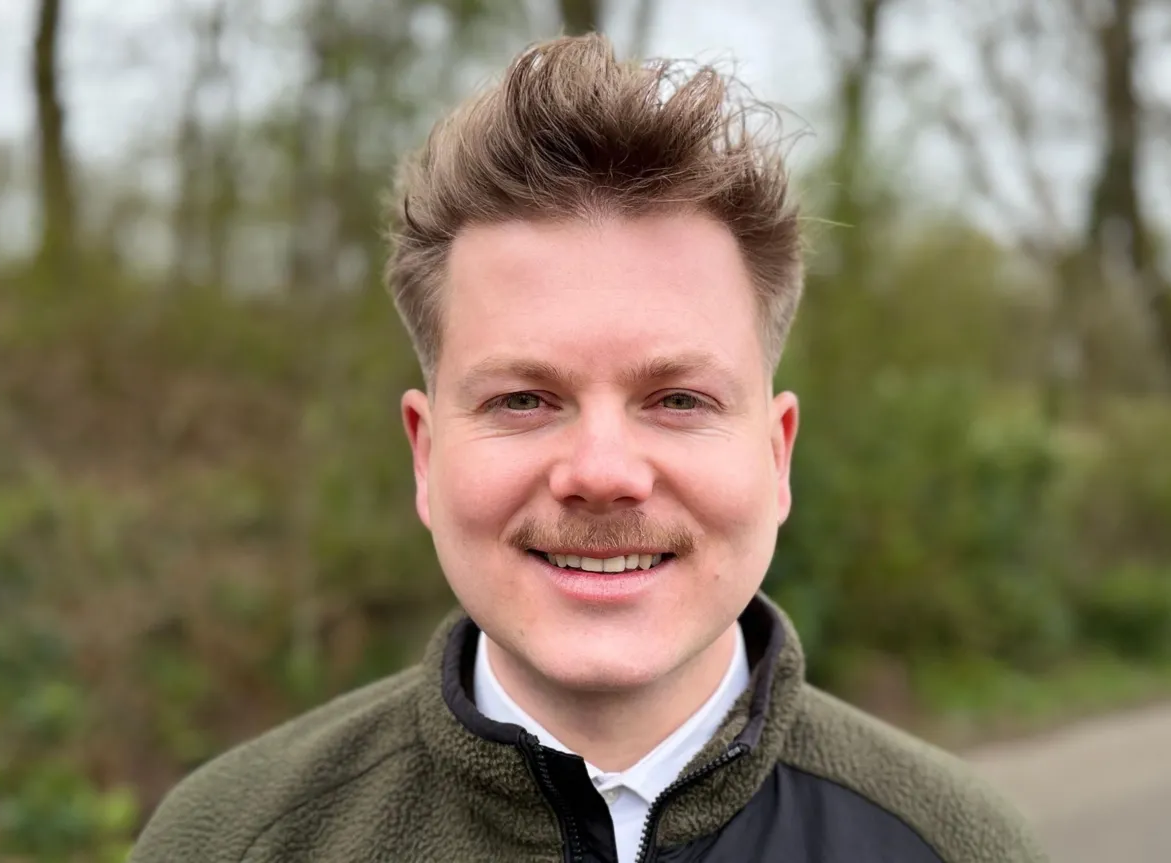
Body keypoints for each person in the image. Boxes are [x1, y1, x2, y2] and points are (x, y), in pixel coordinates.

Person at [129, 32, 1048, 863]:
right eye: (524, 399)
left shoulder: (958, 846)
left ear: (778, 456)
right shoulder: (230, 840)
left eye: (678, 399)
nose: (603, 473)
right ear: (424, 452)